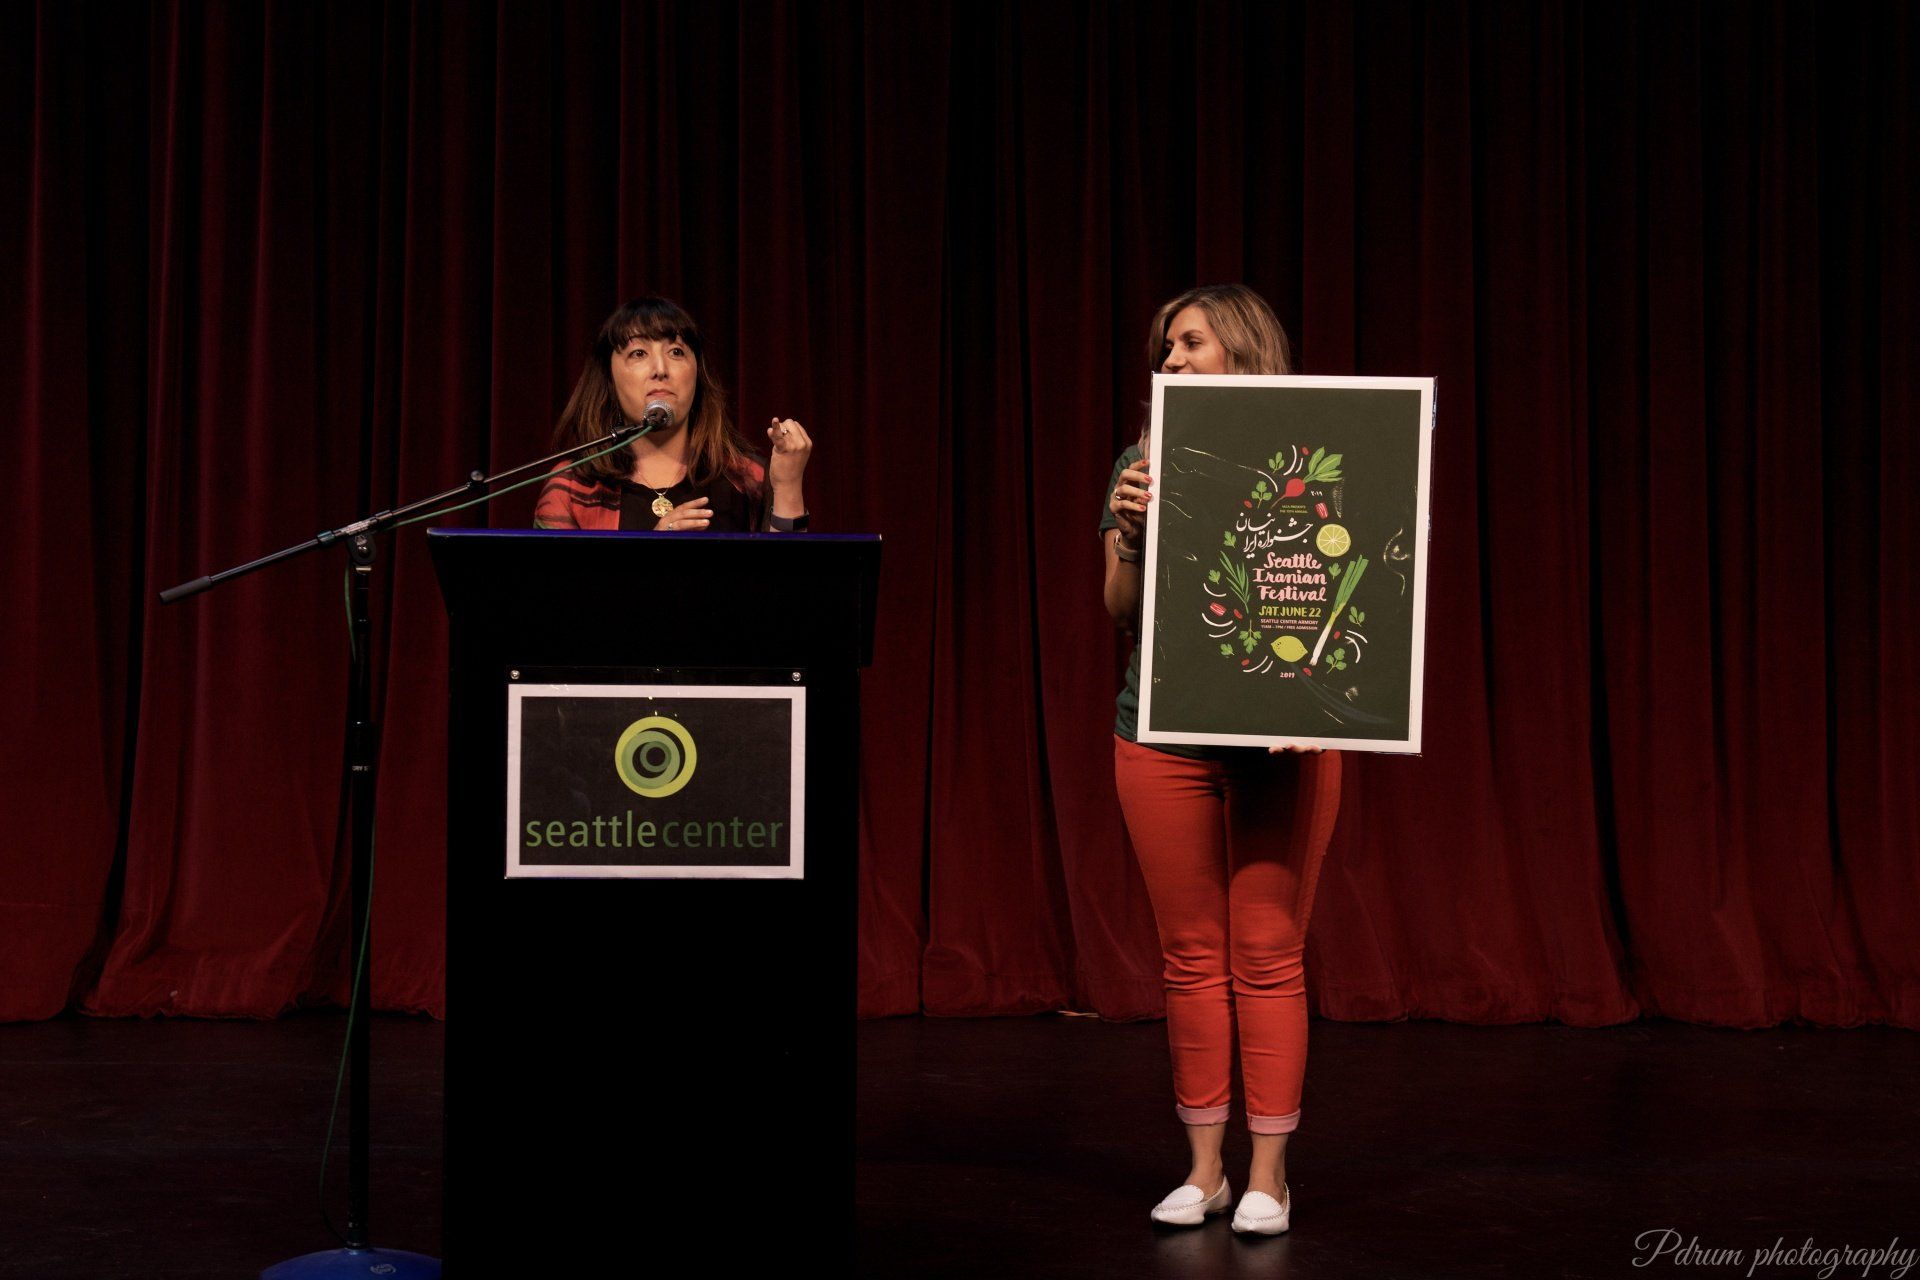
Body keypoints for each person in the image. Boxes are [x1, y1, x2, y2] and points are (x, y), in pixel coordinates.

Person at [1100, 283, 1343, 1236]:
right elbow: (1119, 611)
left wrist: (1328, 702)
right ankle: (1203, 1171)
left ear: (1240, 348)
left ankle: (1269, 1179)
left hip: (1283, 742)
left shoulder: (1324, 456)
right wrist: (1129, 526)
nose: (1169, 363)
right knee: (1192, 958)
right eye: (1163, 350)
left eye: (1188, 343)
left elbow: (1360, 603)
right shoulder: (1141, 462)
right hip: (1160, 740)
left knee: (1269, 955)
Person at [534, 296, 812, 532]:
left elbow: (791, 586)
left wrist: (788, 484)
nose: (660, 369)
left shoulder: (745, 477)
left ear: (697, 375)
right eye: (638, 353)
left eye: (676, 352)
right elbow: (559, 594)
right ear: (609, 379)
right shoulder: (572, 486)